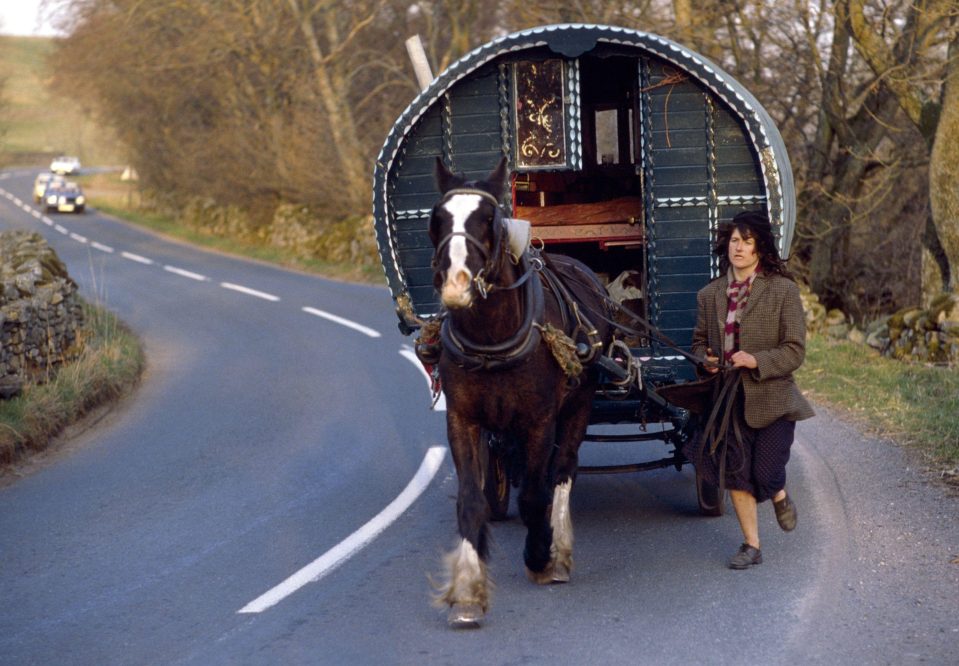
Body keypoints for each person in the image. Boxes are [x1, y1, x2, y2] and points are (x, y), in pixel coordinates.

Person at [688, 210, 814, 569]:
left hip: (773, 399)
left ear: (760, 247)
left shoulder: (783, 290)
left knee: (766, 472)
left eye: (746, 241)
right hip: (726, 400)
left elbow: (794, 350)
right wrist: (706, 359)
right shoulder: (710, 295)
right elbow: (697, 343)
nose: (738, 248)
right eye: (734, 241)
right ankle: (752, 546)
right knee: (735, 472)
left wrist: (755, 360)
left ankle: (779, 494)